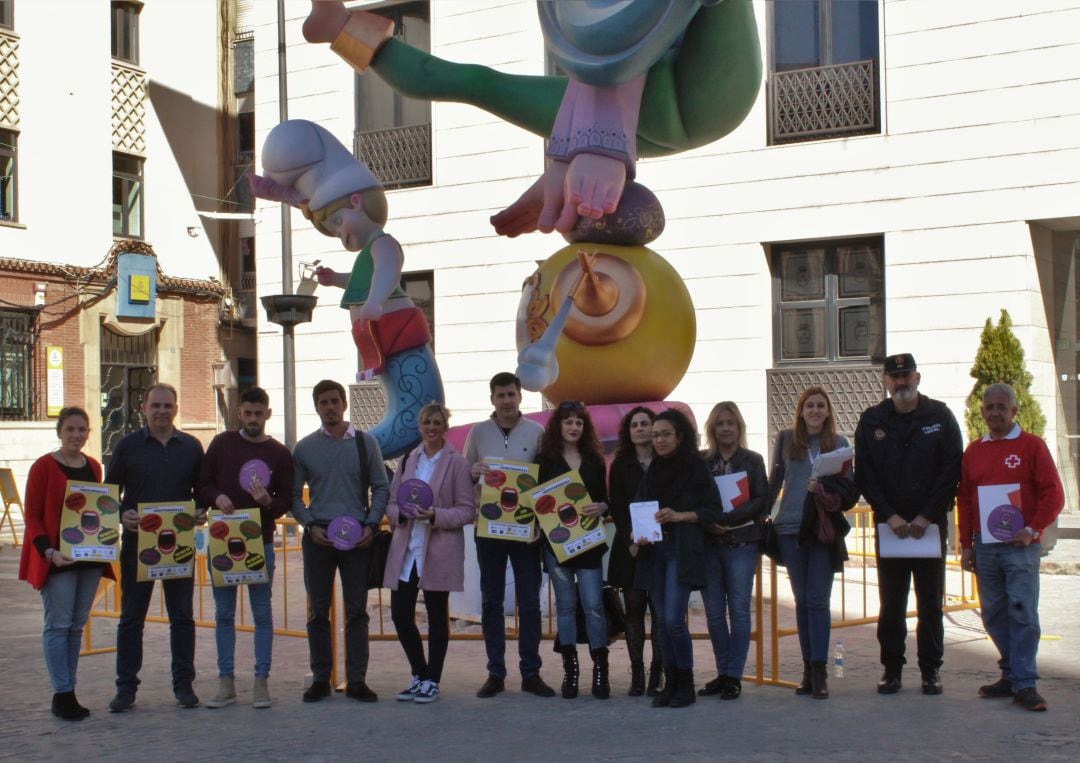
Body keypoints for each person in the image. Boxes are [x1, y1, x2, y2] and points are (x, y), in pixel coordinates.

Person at [300, 0, 761, 237]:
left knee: (481, 84)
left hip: (688, 95)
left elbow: (616, 38)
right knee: (479, 83)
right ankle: (340, 27)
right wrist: (576, 149)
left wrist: (591, 144)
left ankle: (339, 27)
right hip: (676, 98)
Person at [249, 119, 442, 460]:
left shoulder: (384, 243)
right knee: (404, 403)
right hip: (383, 338)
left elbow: (386, 273)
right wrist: (334, 279)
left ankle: (360, 453)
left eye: (337, 223)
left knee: (413, 410)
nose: (341, 235)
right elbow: (362, 281)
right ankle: (361, 454)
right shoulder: (366, 253)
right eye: (333, 231)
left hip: (399, 335)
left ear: (356, 201)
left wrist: (376, 303)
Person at [855, 354, 963, 696]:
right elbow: (865, 476)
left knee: (930, 602)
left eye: (906, 375)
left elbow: (951, 469)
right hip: (892, 529)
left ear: (918, 376)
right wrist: (890, 515)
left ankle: (931, 670)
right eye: (894, 377)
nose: (901, 382)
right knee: (891, 603)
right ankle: (892, 669)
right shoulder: (872, 421)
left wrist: (926, 515)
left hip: (928, 528)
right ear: (886, 381)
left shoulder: (940, 416)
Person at [958, 383, 1064, 712]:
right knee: (993, 615)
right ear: (983, 412)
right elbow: (965, 501)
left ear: (1014, 410)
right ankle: (1011, 673)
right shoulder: (974, 452)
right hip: (986, 548)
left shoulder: (1032, 446)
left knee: (1022, 613)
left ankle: (1026, 683)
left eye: (1001, 407)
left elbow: (1053, 494)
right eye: (989, 407)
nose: (995, 413)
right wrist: (965, 545)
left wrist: (1032, 529)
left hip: (1021, 547)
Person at [107, 384, 205, 712]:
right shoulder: (126, 447)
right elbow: (109, 494)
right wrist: (123, 514)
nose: (162, 411)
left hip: (178, 544)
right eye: (156, 405)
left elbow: (202, 493)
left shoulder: (191, 447)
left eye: (168, 405)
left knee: (182, 617)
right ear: (144, 409)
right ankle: (126, 688)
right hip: (138, 544)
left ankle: (184, 685)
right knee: (132, 618)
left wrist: (201, 511)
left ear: (176, 409)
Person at [292, 379, 389, 703]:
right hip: (319, 536)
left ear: (344, 404)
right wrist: (308, 525)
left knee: (357, 611)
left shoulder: (366, 443)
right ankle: (321, 678)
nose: (330, 407)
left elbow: (382, 487)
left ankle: (357, 680)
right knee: (318, 611)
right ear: (317, 407)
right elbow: (293, 496)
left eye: (335, 401)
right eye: (323, 403)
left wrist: (372, 526)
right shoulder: (304, 448)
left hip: (357, 537)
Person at [197, 386, 294, 709]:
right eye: (248, 413)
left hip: (260, 541)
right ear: (239, 413)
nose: (253, 419)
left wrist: (269, 502)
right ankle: (226, 683)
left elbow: (286, 500)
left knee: (262, 614)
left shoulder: (280, 453)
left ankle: (261, 683)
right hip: (223, 539)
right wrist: (215, 497)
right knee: (224, 613)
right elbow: (203, 483)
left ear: (268, 414)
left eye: (259, 413)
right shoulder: (222, 444)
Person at [20, 407, 116, 720]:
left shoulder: (93, 466)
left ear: (89, 433)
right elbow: (32, 515)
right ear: (59, 432)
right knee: (58, 625)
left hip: (87, 558)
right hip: (57, 559)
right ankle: (62, 693)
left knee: (75, 627)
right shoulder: (43, 467)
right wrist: (47, 551)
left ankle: (69, 690)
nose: (76, 435)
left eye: (81, 430)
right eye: (70, 429)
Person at [463, 371, 555, 698]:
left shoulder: (537, 431)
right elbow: (464, 475)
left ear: (520, 397)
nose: (506, 401)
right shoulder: (478, 433)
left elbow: (546, 480)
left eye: (511, 395)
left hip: (526, 531)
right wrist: (472, 473)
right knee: (491, 602)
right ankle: (495, 673)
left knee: (529, 603)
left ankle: (531, 672)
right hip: (488, 529)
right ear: (492, 399)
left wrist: (540, 526)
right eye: (500, 396)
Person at [768, 386, 858, 700]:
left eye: (821, 406)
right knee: (802, 599)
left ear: (828, 412)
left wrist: (825, 489)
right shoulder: (786, 440)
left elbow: (849, 489)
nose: (815, 411)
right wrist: (760, 518)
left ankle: (820, 672)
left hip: (821, 529)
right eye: (810, 406)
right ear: (801, 411)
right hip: (790, 528)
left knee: (819, 600)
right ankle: (807, 671)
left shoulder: (840, 444)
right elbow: (774, 483)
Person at [383, 403, 476, 705]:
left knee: (437, 618)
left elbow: (466, 510)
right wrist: (402, 514)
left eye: (437, 422)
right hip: (407, 549)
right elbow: (392, 502)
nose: (432, 427)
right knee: (400, 614)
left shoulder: (457, 463)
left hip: (437, 550)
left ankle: (432, 680)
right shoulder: (408, 459)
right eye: (427, 423)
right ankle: (419, 674)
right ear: (419, 426)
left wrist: (435, 515)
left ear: (445, 426)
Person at [632, 408, 722, 709]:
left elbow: (713, 510)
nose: (658, 440)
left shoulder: (696, 466)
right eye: (655, 435)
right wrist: (640, 533)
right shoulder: (654, 469)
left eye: (665, 434)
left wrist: (681, 515)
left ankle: (686, 681)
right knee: (661, 621)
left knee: (673, 619)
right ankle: (670, 683)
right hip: (654, 551)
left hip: (681, 551)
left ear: (679, 435)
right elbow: (642, 507)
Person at [536, 401, 611, 699]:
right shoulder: (546, 459)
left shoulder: (594, 458)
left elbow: (605, 498)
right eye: (568, 422)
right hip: (556, 545)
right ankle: (571, 672)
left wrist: (604, 506)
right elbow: (537, 501)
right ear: (558, 426)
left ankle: (600, 671)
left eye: (578, 422)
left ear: (585, 427)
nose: (573, 427)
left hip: (589, 544)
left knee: (593, 605)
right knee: (565, 608)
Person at [698, 401, 768, 701]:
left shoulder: (753, 460)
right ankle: (722, 671)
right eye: (720, 423)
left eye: (731, 423)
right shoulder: (701, 462)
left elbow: (761, 499)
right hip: (708, 545)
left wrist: (725, 521)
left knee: (739, 610)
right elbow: (695, 497)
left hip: (742, 544)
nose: (725, 428)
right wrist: (710, 523)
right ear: (712, 428)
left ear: (739, 427)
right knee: (714, 613)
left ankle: (734, 675)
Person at [607, 406, 664, 696]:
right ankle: (637, 673)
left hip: (661, 546)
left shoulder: (666, 460)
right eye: (635, 425)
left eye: (645, 424)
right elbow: (616, 505)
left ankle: (657, 673)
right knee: (634, 612)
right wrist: (631, 536)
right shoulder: (620, 464)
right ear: (628, 432)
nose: (640, 428)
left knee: (661, 613)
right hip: (630, 546)